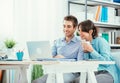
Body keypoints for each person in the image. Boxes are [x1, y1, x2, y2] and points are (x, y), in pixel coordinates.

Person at [32, 15, 84, 83]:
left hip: (71, 73)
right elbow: (50, 57)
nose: (65, 29)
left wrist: (65, 60)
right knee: (36, 81)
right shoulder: (57, 41)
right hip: (55, 71)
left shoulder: (80, 43)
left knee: (54, 81)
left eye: (68, 26)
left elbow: (80, 65)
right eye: (64, 26)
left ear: (75, 28)